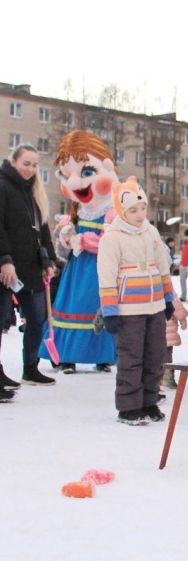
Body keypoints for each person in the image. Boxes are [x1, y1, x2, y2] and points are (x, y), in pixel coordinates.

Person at [97, 177, 175, 425]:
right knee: (131, 357)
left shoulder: (151, 232)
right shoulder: (112, 237)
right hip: (128, 308)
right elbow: (106, 277)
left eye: (142, 208)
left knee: (155, 355)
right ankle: (129, 406)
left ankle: (149, 401)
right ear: (121, 211)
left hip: (154, 306)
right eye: (133, 210)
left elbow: (163, 267)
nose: (140, 214)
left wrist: (168, 298)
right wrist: (110, 311)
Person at [45, 130, 117, 374]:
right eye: (67, 176)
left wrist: (85, 241)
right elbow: (65, 241)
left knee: (97, 307)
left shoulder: (112, 211)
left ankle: (102, 355)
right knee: (72, 305)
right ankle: (66, 354)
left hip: (101, 272)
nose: (75, 182)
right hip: (77, 271)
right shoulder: (78, 212)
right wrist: (67, 237)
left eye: (87, 173)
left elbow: (112, 242)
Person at [0, 144, 58, 392]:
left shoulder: (33, 192)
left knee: (36, 317)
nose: (31, 169)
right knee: (1, 319)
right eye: (26, 163)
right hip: (8, 267)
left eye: (35, 165)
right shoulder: (2, 186)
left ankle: (30, 366)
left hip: (32, 266)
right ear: (13, 161)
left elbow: (42, 229)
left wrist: (50, 261)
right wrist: (4, 259)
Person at [161, 297, 188, 389]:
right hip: (167, 325)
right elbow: (175, 303)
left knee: (157, 354)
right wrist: (182, 318)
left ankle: (162, 377)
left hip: (158, 326)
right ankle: (167, 378)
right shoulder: (167, 288)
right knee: (166, 355)